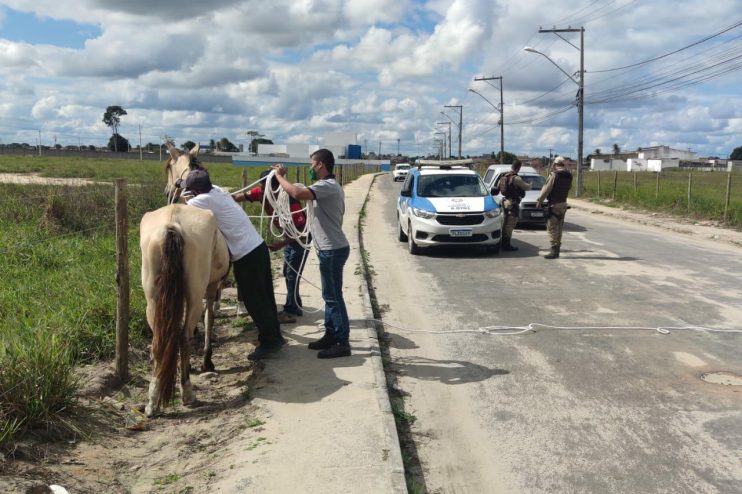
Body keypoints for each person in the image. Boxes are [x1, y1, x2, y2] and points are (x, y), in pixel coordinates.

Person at [183, 169, 286, 361]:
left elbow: (184, 207)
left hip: (246, 254)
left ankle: (270, 342)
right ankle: (275, 336)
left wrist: (182, 192)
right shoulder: (217, 191)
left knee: (254, 300)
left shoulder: (202, 200)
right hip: (257, 247)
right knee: (266, 296)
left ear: (196, 191)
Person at [272, 149, 351, 359]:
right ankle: (330, 335)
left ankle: (342, 342)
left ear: (320, 165)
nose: (310, 168)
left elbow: (297, 194)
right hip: (330, 248)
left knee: (333, 297)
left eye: (312, 164)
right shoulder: (326, 187)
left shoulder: (327, 186)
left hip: (332, 250)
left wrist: (280, 177)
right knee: (329, 296)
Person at [232, 169, 309, 324]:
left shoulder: (289, 199)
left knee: (292, 274)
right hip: (288, 237)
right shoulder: (261, 193)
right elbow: (241, 196)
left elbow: (302, 231)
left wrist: (281, 243)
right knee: (287, 272)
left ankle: (292, 307)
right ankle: (295, 303)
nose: (262, 189)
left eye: (265, 186)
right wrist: (223, 198)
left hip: (299, 240)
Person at [536, 156, 573, 259]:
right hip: (563, 204)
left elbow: (546, 189)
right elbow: (569, 187)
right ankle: (557, 250)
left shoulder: (554, 175)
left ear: (555, 164)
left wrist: (540, 201)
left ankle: (554, 250)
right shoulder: (569, 175)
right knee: (559, 228)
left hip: (554, 204)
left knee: (552, 228)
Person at [497, 160, 532, 251]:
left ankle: (503, 243)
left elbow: (498, 187)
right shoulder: (515, 178)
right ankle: (506, 245)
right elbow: (526, 187)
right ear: (519, 167)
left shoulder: (503, 176)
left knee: (505, 223)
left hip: (505, 202)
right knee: (510, 224)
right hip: (512, 203)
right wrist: (531, 184)